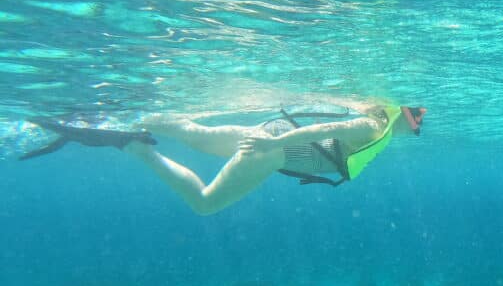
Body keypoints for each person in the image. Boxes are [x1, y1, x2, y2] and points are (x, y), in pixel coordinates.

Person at [21, 103, 426, 215]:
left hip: (265, 139)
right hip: (268, 151)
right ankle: (135, 146)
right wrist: (270, 148)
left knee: (195, 133)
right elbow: (320, 132)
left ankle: (120, 115)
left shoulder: (378, 120)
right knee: (205, 203)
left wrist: (269, 142)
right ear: (405, 116)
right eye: (417, 120)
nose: (416, 128)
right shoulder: (374, 128)